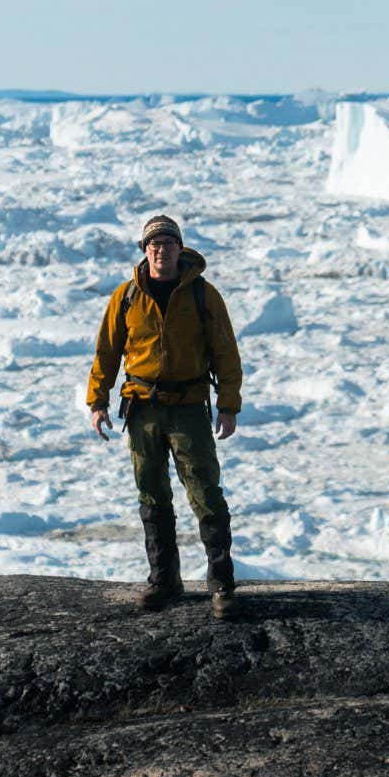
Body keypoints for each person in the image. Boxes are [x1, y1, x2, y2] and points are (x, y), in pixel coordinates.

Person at [86, 215, 243, 619]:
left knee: (205, 492)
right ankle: (164, 581)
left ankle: (222, 585)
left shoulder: (203, 296)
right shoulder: (125, 297)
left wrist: (229, 404)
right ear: (144, 250)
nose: (161, 249)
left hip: (189, 406)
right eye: (153, 243)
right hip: (142, 408)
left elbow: (225, 352)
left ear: (179, 248)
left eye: (168, 242)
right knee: (152, 494)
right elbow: (106, 352)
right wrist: (97, 400)